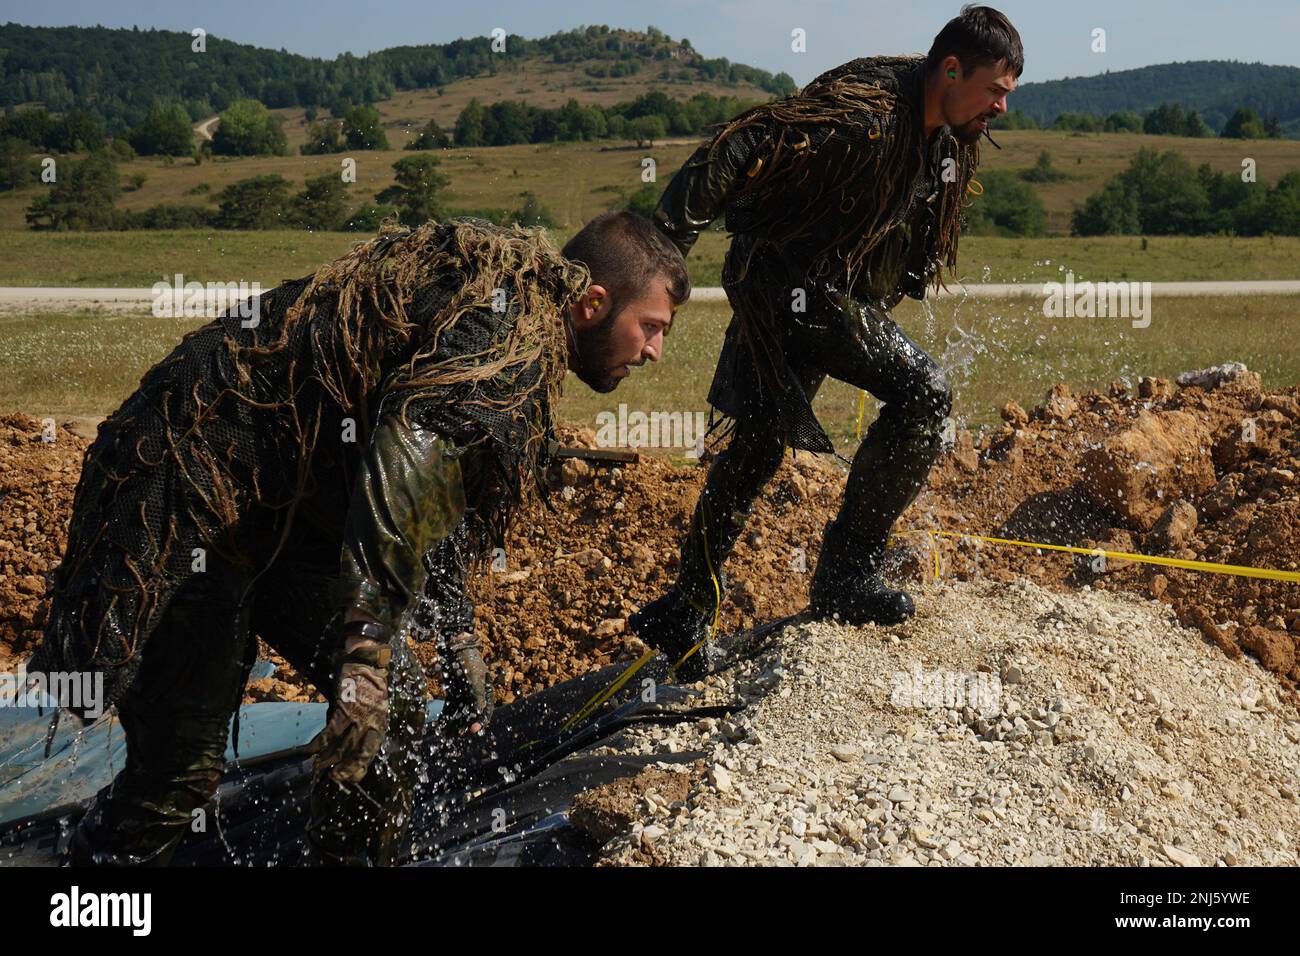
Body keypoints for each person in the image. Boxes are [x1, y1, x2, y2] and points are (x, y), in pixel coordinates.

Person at [29, 211, 689, 865]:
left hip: (289, 511)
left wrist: (452, 635)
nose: (655, 351)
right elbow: (404, 471)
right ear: (593, 303)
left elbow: (440, 498)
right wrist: (365, 657)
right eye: (651, 327)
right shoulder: (507, 337)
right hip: (185, 487)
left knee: (394, 704)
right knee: (177, 770)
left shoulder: (509, 321)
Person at [630, 6, 1022, 677]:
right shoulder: (866, 117)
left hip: (821, 285)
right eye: (995, 90)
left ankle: (687, 606)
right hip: (790, 290)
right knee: (924, 392)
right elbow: (741, 144)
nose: (1002, 108)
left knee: (754, 448)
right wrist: (655, 259)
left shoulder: (947, 129)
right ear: (951, 70)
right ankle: (844, 576)